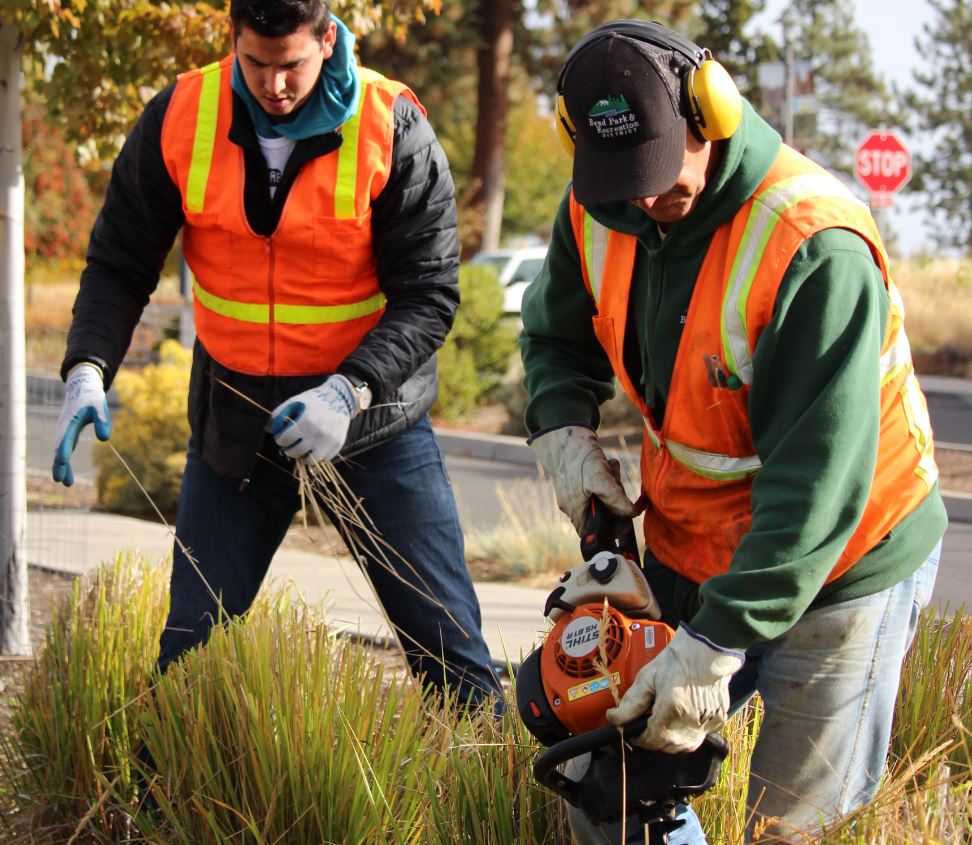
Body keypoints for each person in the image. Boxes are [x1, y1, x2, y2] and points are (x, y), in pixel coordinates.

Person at [521, 19, 946, 844]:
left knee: (793, 826)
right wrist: (564, 437)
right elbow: (555, 339)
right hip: (692, 538)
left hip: (843, 562)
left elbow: (813, 495)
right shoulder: (597, 203)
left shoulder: (812, 247)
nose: (642, 202)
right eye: (619, 183)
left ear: (707, 112)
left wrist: (712, 645)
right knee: (613, 796)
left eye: (657, 175)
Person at [51, 0, 502, 713]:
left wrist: (348, 392)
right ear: (234, 37)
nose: (274, 85)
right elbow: (119, 262)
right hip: (236, 421)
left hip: (371, 422)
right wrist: (87, 366)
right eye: (255, 63)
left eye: (290, 63)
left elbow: (429, 293)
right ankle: (158, 812)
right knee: (189, 654)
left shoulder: (392, 124)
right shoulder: (181, 114)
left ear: (329, 38)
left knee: (450, 654)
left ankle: (503, 801)